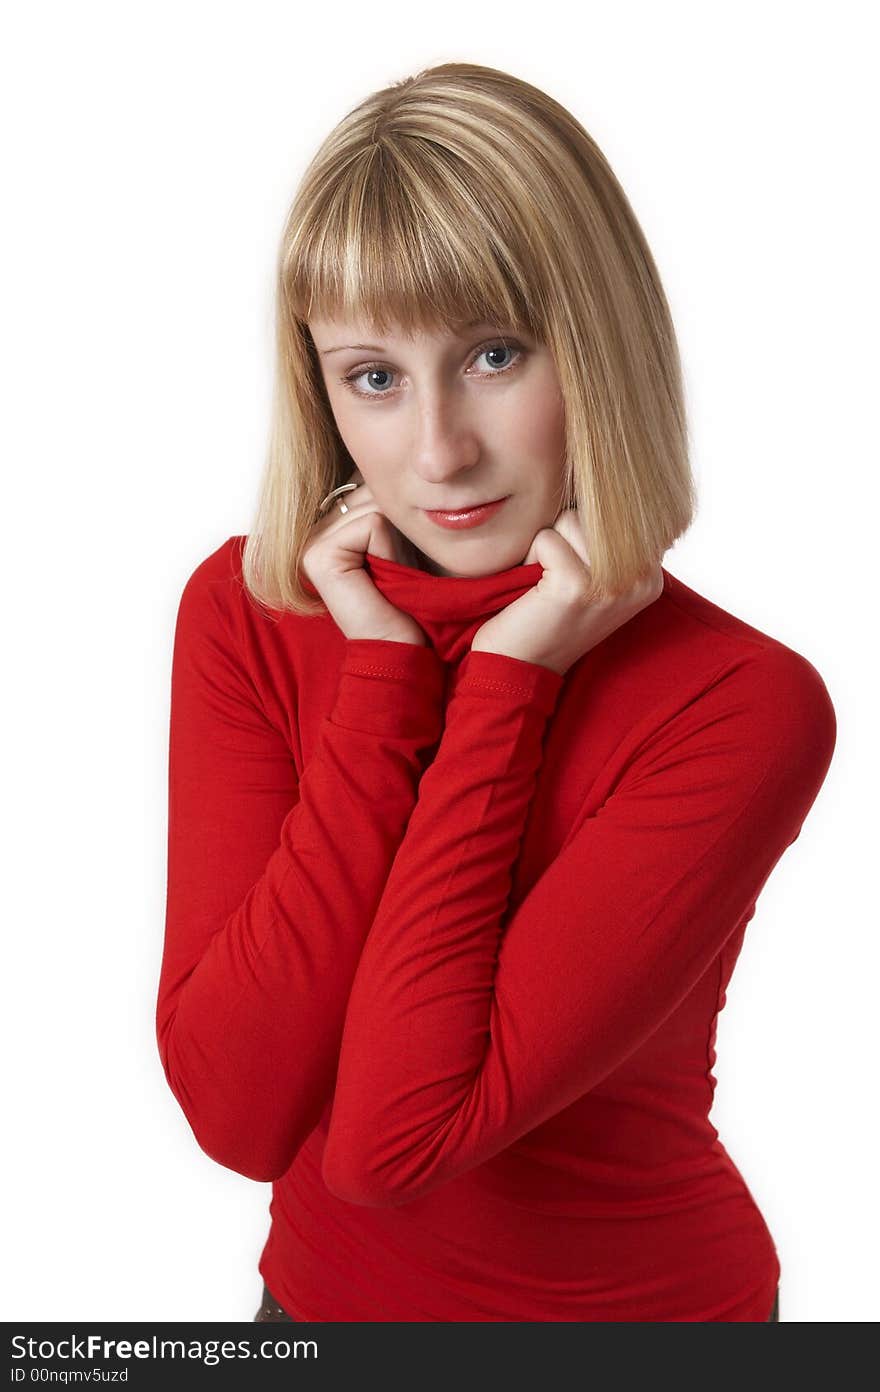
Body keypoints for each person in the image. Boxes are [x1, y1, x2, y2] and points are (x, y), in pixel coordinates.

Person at [156, 61, 834, 1323]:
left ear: (599, 342)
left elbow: (392, 1142)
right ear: (320, 390)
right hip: (310, 1318)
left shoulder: (738, 702)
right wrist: (382, 683)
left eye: (494, 353)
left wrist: (509, 679)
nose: (440, 451)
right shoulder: (250, 615)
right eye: (373, 376)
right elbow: (236, 1112)